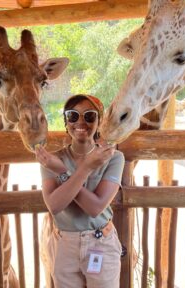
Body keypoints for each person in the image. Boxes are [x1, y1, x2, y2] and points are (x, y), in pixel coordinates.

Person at [36, 94, 125, 288]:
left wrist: (62, 171)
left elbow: (95, 207)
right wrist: (84, 169)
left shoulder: (114, 158)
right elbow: (55, 205)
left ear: (99, 121)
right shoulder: (52, 159)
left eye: (90, 116)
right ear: (66, 122)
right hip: (64, 246)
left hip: (100, 242)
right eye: (73, 116)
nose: (81, 122)